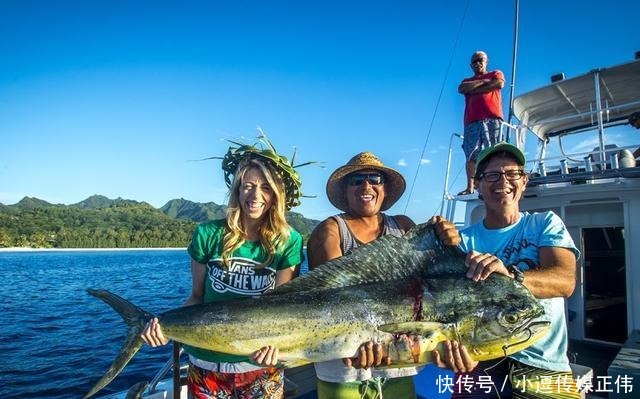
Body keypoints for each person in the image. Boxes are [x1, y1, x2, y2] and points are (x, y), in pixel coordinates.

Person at [141, 136, 305, 399]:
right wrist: (160, 327)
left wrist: (278, 346)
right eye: (248, 186)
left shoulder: (289, 241)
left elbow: (283, 309)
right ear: (237, 191)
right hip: (206, 367)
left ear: (275, 195)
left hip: (260, 369)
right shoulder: (207, 234)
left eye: (265, 187)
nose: (256, 195)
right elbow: (197, 297)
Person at [306, 151, 472, 399]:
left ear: (384, 189)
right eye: (356, 180)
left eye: (374, 179)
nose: (366, 185)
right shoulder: (331, 230)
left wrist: (447, 236)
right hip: (344, 370)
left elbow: (432, 277)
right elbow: (334, 305)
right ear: (346, 191)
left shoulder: (403, 226)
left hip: (398, 369)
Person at [436, 142, 582, 399]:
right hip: (479, 362)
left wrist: (511, 275)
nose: (503, 181)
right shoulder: (462, 241)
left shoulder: (544, 223)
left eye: (512, 173)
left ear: (524, 181)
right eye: (492, 175)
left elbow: (564, 280)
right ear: (478, 186)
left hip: (543, 364)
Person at [457, 50, 505, 196]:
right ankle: (470, 186)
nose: (478, 63)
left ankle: (496, 181)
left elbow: (498, 84)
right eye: (475, 61)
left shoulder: (496, 74)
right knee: (471, 154)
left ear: (486, 61)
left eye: (480, 60)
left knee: (494, 151)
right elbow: (462, 88)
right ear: (471, 65)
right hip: (471, 122)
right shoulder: (466, 81)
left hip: (492, 119)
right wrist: (486, 83)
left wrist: (477, 87)